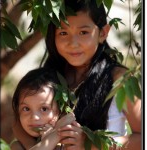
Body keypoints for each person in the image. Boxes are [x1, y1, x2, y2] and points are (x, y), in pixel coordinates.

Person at [13, 0, 141, 149]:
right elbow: (18, 123)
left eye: (83, 32)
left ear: (102, 33)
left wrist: (89, 144)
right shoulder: (49, 75)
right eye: (63, 32)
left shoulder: (120, 78)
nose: (73, 43)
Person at [10, 67, 76, 150]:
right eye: (26, 109)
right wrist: (55, 135)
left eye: (44, 109)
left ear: (60, 111)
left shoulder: (70, 143)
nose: (34, 117)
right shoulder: (17, 146)